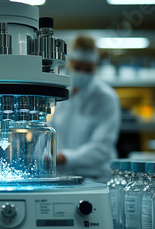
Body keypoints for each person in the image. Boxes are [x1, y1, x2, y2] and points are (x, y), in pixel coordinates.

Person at [50, 35, 121, 183]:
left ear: (95, 67)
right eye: (77, 68)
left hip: (96, 178)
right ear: (69, 64)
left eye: (88, 70)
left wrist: (63, 157)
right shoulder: (62, 91)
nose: (82, 73)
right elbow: (53, 129)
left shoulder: (105, 97)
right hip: (63, 177)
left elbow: (101, 148)